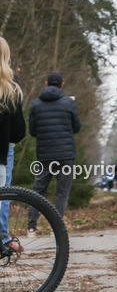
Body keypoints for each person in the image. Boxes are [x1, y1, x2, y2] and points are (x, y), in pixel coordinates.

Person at [27, 71, 81, 235]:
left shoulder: (36, 104)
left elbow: (33, 131)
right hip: (66, 156)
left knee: (38, 191)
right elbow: (77, 127)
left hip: (45, 155)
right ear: (62, 85)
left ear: (46, 84)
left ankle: (31, 227)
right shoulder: (69, 103)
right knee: (62, 193)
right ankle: (55, 229)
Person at [0, 38, 25, 253]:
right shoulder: (11, 85)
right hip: (3, 149)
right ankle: (3, 238)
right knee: (3, 195)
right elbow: (19, 132)